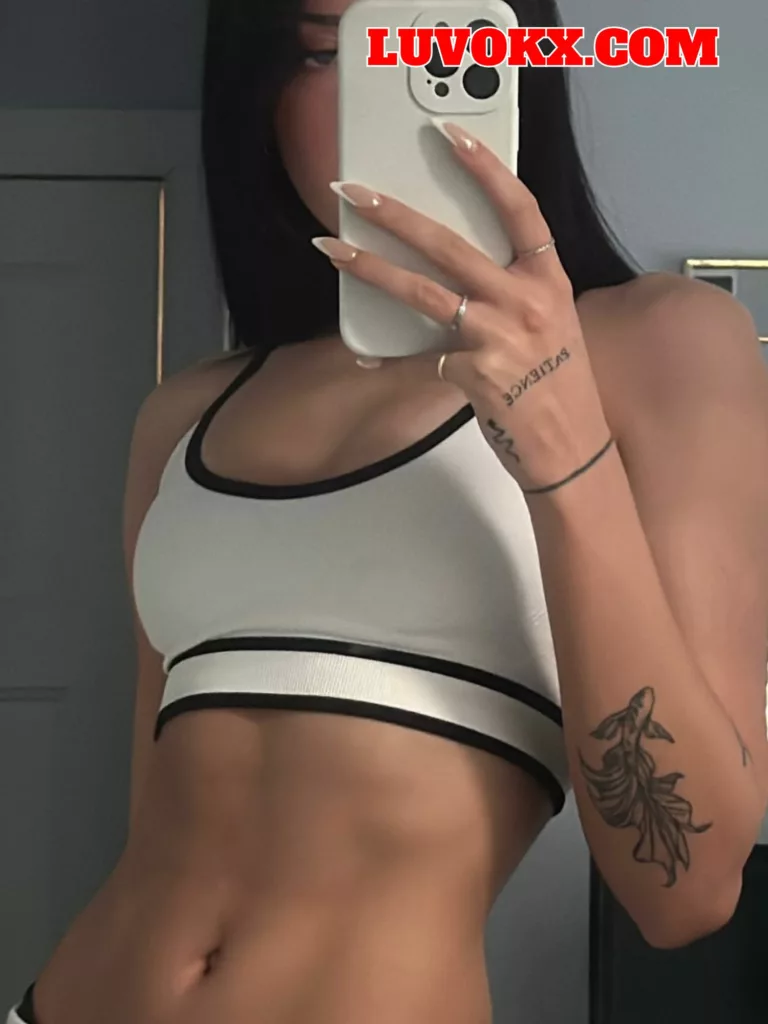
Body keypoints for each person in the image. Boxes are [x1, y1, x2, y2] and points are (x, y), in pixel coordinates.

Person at [8, 1, 768, 1022]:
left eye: (423, 43)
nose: (377, 89)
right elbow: (157, 827)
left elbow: (689, 893)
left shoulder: (661, 344)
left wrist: (561, 446)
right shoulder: (180, 415)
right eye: (324, 51)